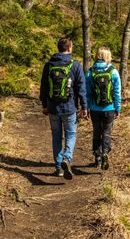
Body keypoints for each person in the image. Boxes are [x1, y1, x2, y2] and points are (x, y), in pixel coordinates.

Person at [40, 38, 88, 180]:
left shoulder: (49, 65)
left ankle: (59, 168)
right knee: (71, 134)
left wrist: (44, 105)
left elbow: (44, 87)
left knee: (56, 136)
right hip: (69, 107)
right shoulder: (75, 65)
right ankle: (67, 158)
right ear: (69, 48)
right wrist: (84, 107)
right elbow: (81, 88)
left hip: (53, 108)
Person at [86, 47, 121, 170]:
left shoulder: (90, 72)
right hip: (109, 108)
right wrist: (118, 108)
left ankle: (97, 157)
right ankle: (105, 152)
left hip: (95, 109)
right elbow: (117, 92)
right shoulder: (113, 72)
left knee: (96, 132)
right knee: (106, 132)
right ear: (108, 57)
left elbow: (88, 92)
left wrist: (87, 107)